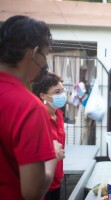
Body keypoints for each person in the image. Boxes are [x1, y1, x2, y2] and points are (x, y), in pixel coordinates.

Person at [0, 15, 65, 199]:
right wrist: (52, 155)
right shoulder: (29, 107)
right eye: (45, 54)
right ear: (35, 53)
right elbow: (32, 191)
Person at [32, 72, 67, 200]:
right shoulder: (38, 118)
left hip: (57, 179)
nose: (62, 95)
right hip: (43, 182)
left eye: (62, 91)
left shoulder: (59, 114)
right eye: (57, 92)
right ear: (43, 95)